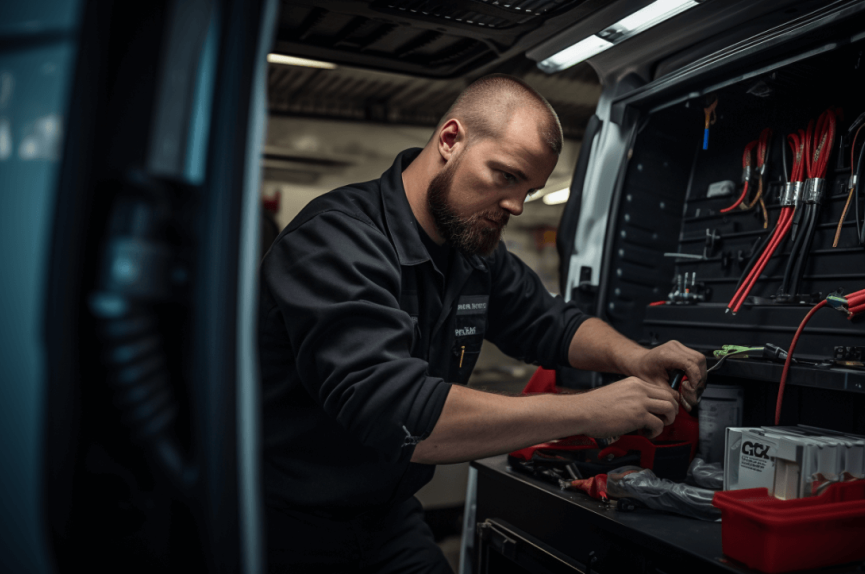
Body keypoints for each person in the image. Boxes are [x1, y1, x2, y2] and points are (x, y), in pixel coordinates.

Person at [258, 74, 708, 573]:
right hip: (283, 523)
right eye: (507, 176)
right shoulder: (337, 241)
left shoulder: (472, 251)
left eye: (530, 189)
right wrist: (589, 410)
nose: (517, 204)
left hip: (386, 518)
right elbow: (403, 415)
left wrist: (637, 357)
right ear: (451, 140)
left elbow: (551, 322)